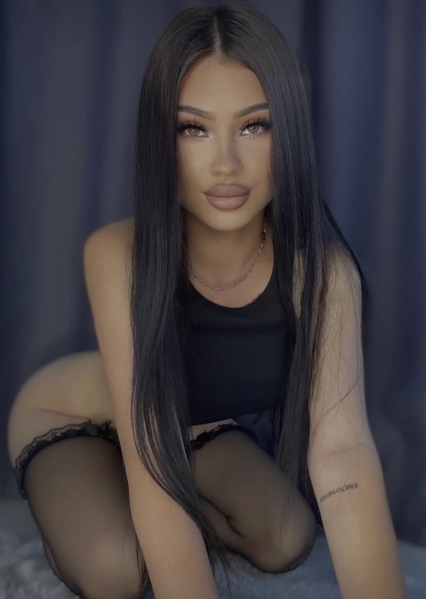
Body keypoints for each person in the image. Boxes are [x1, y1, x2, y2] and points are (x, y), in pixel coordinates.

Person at [7, 3, 407, 599]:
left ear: (288, 132)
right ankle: (83, 511)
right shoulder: (118, 255)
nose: (225, 163)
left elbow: (342, 450)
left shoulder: (325, 276)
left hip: (192, 428)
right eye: (193, 128)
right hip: (76, 420)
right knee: (119, 570)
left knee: (287, 537)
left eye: (254, 126)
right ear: (161, 138)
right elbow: (150, 451)